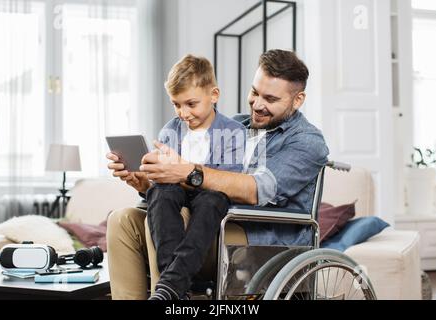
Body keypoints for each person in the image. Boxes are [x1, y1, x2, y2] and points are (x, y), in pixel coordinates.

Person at [106, 49, 329, 300]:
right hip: (211, 225)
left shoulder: (307, 141)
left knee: (183, 215)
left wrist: (187, 171)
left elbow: (256, 189)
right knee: (122, 220)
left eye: (270, 98)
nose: (257, 104)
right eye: (254, 92)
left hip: (255, 239)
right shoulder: (236, 125)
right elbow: (182, 189)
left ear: (297, 100)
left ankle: (170, 293)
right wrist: (144, 183)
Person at [107, 54, 245, 300]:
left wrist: (185, 173)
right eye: (176, 104)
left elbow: (229, 181)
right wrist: (144, 181)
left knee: (211, 199)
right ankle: (174, 289)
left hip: (212, 199)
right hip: (177, 197)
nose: (183, 113)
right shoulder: (170, 130)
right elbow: (164, 183)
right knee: (161, 191)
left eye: (191, 104)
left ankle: (171, 284)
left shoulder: (233, 132)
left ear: (214, 95)